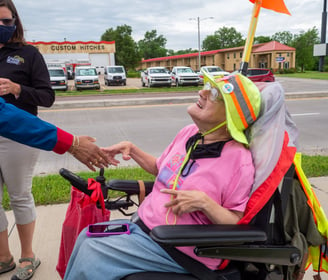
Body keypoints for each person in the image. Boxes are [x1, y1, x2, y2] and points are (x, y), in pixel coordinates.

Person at [64, 71, 262, 280]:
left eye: (214, 93)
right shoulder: (190, 134)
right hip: (146, 228)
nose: (202, 92)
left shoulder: (239, 161)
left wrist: (205, 203)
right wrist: (132, 148)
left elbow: (236, 221)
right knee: (86, 236)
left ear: (231, 115)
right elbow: (161, 168)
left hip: (179, 247)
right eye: (207, 86)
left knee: (92, 253)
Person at [0, 1, 106, 279]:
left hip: (21, 135)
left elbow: (46, 97)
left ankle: (27, 255)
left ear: (15, 21)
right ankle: (3, 256)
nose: (2, 27)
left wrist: (17, 88)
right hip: (10, 124)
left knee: (19, 195)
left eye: (6, 21)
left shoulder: (28, 54)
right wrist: (70, 143)